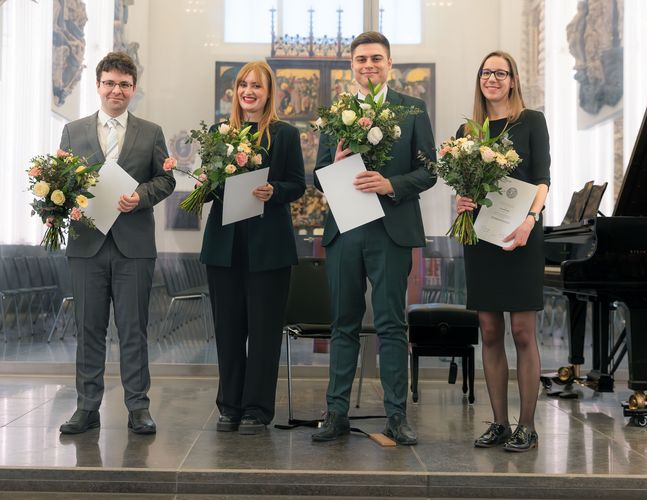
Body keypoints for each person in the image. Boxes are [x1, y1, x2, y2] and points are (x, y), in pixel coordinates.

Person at [312, 32, 436, 446]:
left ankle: (397, 416)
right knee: (342, 324)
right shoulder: (335, 112)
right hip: (346, 229)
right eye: (361, 59)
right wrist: (335, 162)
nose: (368, 65)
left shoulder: (412, 110)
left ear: (389, 64)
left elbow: (430, 171)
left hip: (391, 229)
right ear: (352, 64)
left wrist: (389, 184)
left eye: (376, 59)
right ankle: (336, 413)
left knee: (391, 326)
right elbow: (317, 177)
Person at [58, 52, 176, 434]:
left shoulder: (151, 131)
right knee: (88, 328)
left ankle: (138, 407)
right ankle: (87, 407)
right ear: (98, 85)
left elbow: (166, 180)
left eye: (124, 84)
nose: (116, 90)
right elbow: (62, 181)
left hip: (133, 245)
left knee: (133, 328)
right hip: (87, 245)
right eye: (109, 82)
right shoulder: (73, 131)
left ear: (133, 89)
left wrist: (139, 196)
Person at [200, 61, 305, 434]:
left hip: (269, 248)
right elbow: (211, 190)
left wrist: (274, 191)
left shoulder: (285, 134)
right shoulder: (218, 133)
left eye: (257, 86)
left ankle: (257, 409)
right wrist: (205, 181)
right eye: (243, 84)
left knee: (263, 332)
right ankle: (229, 405)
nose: (249, 91)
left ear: (269, 92)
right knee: (228, 330)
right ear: (234, 91)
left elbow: (297, 184)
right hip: (224, 246)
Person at [455, 50, 550, 452]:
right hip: (483, 239)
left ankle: (526, 425)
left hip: (522, 236)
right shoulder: (467, 131)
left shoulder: (531, 121)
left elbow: (543, 179)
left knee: (523, 331)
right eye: (486, 72)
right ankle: (498, 422)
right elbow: (465, 186)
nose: (492, 78)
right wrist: (460, 201)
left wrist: (530, 220)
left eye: (500, 72)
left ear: (512, 79)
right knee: (490, 331)